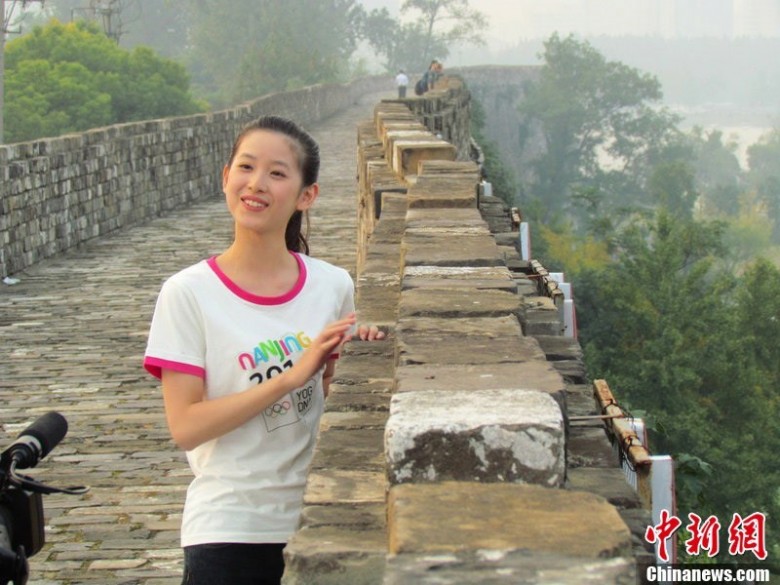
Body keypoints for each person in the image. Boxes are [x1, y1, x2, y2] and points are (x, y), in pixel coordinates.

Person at [143, 115, 385, 585]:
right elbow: (186, 427)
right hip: (229, 528)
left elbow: (328, 392)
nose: (256, 184)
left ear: (306, 196)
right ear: (226, 177)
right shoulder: (188, 293)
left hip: (319, 517)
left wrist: (366, 353)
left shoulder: (332, 285)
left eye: (276, 173)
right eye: (246, 167)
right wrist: (290, 377)